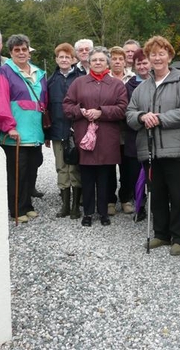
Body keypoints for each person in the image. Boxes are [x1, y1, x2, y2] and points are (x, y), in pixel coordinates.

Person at [126, 36, 180, 256]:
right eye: (153, 54)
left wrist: (160, 118)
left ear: (169, 56)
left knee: (177, 195)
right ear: (147, 58)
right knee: (156, 194)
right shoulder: (141, 87)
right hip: (149, 150)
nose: (157, 58)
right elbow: (129, 113)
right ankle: (161, 234)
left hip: (176, 150)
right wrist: (141, 117)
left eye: (161, 53)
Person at [63, 48, 128, 227]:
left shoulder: (117, 85)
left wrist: (101, 112)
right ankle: (88, 213)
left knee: (105, 176)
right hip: (85, 136)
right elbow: (67, 105)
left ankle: (104, 212)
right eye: (94, 60)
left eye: (101, 60)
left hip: (107, 137)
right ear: (89, 63)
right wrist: (80, 111)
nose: (98, 63)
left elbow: (123, 108)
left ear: (107, 63)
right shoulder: (79, 82)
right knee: (87, 176)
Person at [0, 34, 47, 223]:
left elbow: (43, 103)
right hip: (17, 133)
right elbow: (1, 101)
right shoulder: (5, 72)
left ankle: (27, 205)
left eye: (24, 49)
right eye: (17, 50)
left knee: (31, 170)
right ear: (11, 53)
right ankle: (16, 209)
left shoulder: (39, 73)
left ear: (29, 51)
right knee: (17, 173)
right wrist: (9, 126)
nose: (21, 53)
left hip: (35, 132)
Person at [45, 43, 83, 220]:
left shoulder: (81, 78)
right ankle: (65, 205)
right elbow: (45, 107)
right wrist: (47, 132)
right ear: (56, 59)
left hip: (77, 129)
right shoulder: (51, 80)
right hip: (57, 129)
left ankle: (76, 206)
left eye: (68, 57)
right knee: (61, 167)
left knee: (74, 166)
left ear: (73, 59)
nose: (64, 59)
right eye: (61, 57)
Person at [124, 49, 151, 222]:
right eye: (138, 63)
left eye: (144, 62)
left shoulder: (159, 81)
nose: (142, 66)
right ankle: (139, 205)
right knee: (135, 174)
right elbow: (128, 111)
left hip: (157, 134)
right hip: (135, 135)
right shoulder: (128, 86)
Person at [107, 46, 135, 215]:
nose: (117, 62)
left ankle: (125, 198)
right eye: (114, 58)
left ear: (125, 61)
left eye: (120, 59)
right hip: (109, 129)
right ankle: (109, 200)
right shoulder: (103, 78)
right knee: (108, 167)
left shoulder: (132, 78)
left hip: (129, 130)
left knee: (128, 167)